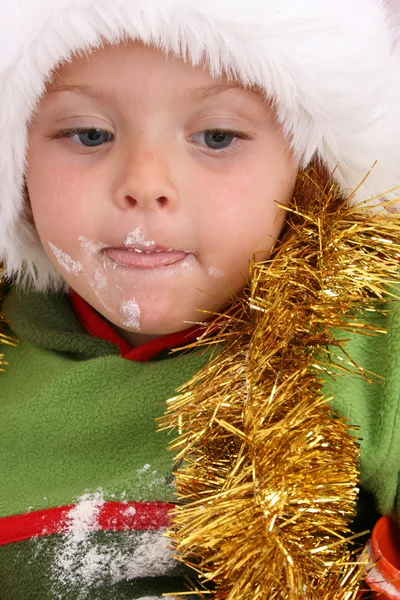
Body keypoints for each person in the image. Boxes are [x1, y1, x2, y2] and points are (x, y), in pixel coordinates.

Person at [0, 1, 399, 599]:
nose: (145, 183)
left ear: (306, 164)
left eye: (217, 137)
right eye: (89, 134)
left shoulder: (369, 343)